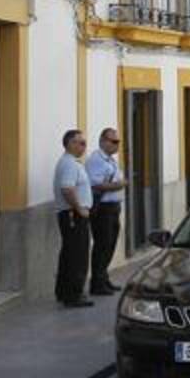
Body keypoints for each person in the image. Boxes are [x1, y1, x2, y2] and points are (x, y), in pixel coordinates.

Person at [53, 129, 94, 307]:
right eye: (80, 143)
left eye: (84, 143)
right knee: (77, 254)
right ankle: (74, 295)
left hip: (72, 213)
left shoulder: (71, 162)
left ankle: (64, 291)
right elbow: (67, 188)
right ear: (70, 144)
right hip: (73, 214)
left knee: (69, 253)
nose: (84, 146)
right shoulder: (69, 164)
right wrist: (79, 209)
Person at [86, 128, 127, 295]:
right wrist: (120, 184)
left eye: (118, 142)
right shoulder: (96, 160)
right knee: (102, 245)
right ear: (103, 141)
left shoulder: (110, 160)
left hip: (113, 207)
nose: (117, 145)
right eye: (114, 141)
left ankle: (103, 278)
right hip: (103, 209)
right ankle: (97, 283)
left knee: (110, 245)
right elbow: (95, 184)